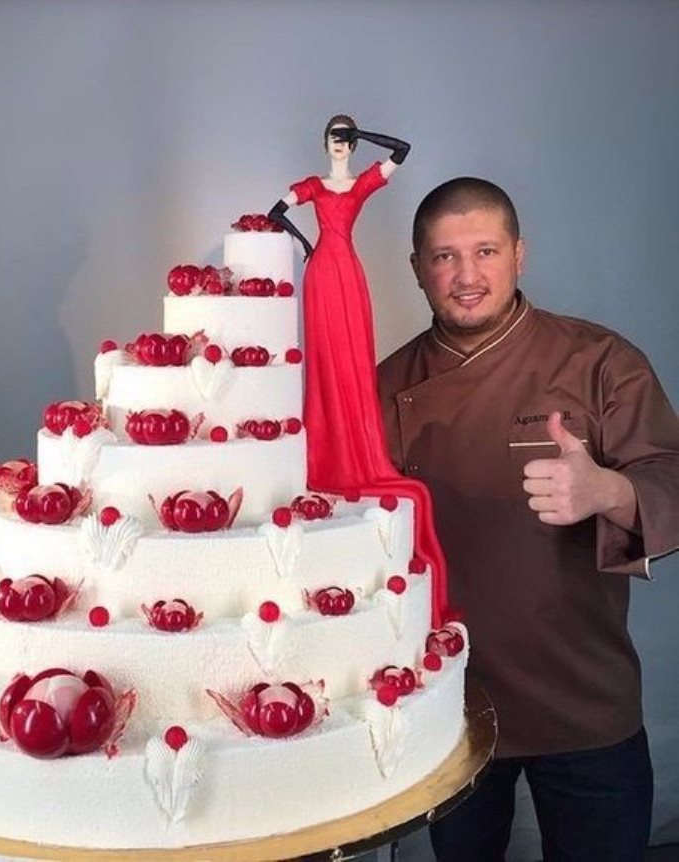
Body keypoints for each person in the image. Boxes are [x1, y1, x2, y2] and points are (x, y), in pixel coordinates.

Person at [378, 176, 679, 861]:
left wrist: (609, 491)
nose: (466, 277)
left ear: (519, 254)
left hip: (586, 698)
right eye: (445, 257)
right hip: (451, 700)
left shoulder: (600, 361)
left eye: (485, 251)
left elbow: (671, 474)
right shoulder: (383, 385)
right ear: (418, 268)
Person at [268, 115, 449, 627]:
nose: (342, 145)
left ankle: (356, 448)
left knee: (352, 354)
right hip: (324, 269)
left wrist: (363, 134)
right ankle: (328, 446)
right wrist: (306, 246)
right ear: (323, 142)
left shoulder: (362, 183)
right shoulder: (313, 186)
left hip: (348, 268)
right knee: (325, 355)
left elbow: (403, 148)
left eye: (346, 138)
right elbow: (276, 211)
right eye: (336, 137)